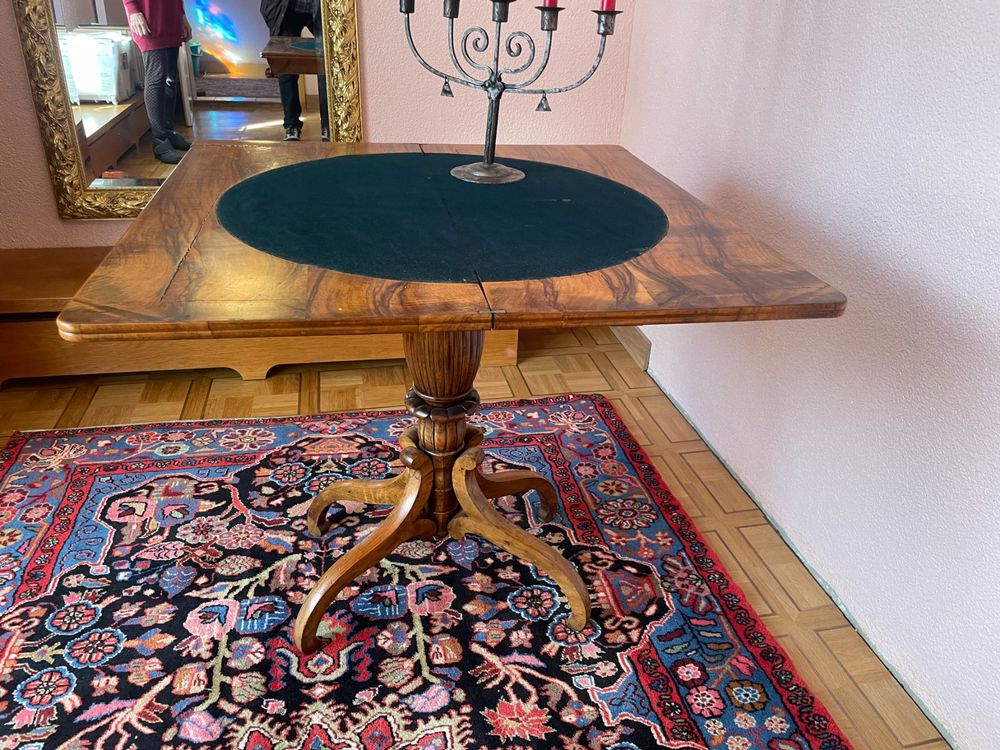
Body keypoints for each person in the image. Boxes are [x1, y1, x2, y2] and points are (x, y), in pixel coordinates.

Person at [123, 0, 193, 164]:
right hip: (148, 18)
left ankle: (167, 131)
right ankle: (159, 140)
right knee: (157, 78)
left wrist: (182, 15)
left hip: (171, 15)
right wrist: (132, 9)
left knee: (171, 78)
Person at [260, 0, 331, 141]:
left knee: (327, 64)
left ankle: (329, 125)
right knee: (286, 68)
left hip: (321, 7)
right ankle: (291, 126)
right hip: (287, 8)